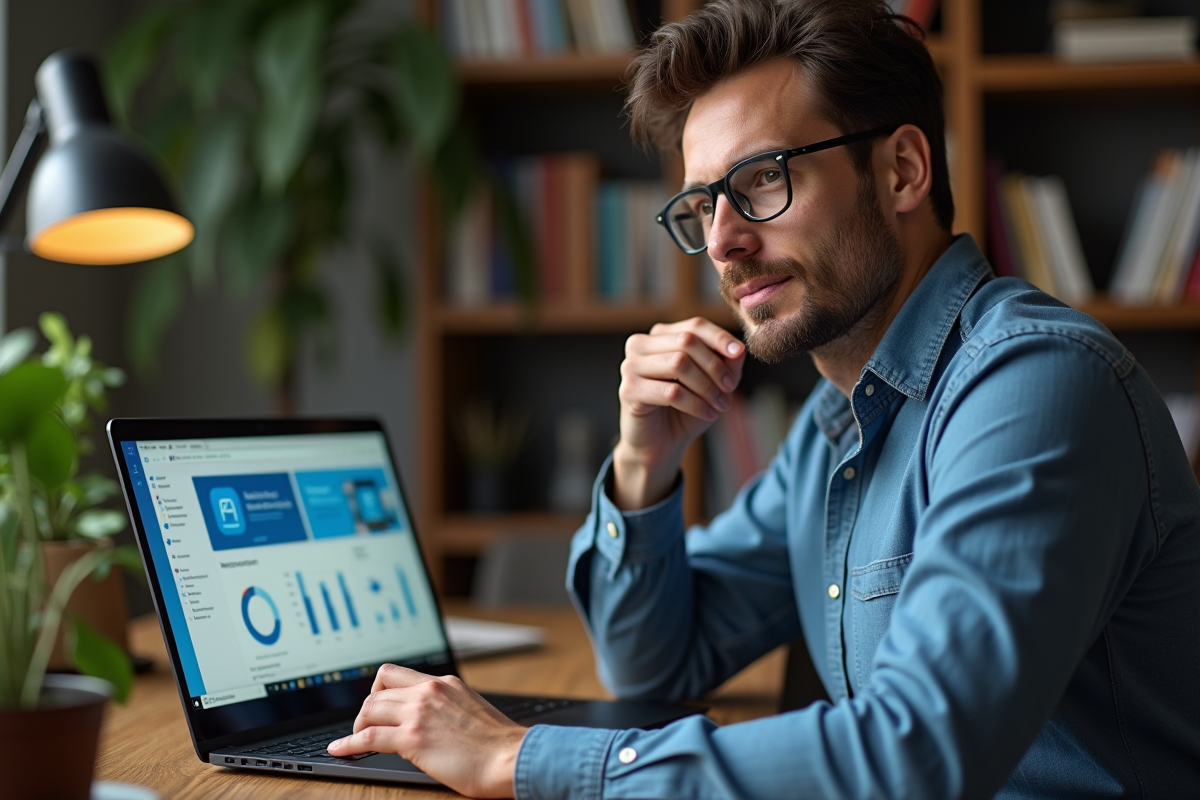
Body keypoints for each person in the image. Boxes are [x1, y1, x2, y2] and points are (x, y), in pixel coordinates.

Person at [328, 0, 1200, 796]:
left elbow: (916, 752)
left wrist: (515, 758)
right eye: (704, 204)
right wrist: (644, 465)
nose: (724, 242)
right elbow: (652, 667)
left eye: (762, 181)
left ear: (901, 170)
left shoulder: (1035, 387)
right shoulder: (837, 430)